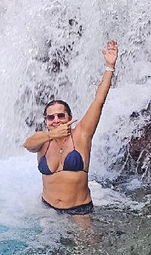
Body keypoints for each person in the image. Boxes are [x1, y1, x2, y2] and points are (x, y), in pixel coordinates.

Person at [23, 40, 119, 215]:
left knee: (88, 243)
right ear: (46, 121)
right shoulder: (43, 141)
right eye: (51, 117)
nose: (56, 120)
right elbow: (27, 145)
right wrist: (51, 135)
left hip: (79, 210)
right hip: (48, 209)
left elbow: (99, 100)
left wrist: (109, 67)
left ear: (69, 117)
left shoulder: (82, 134)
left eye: (61, 115)